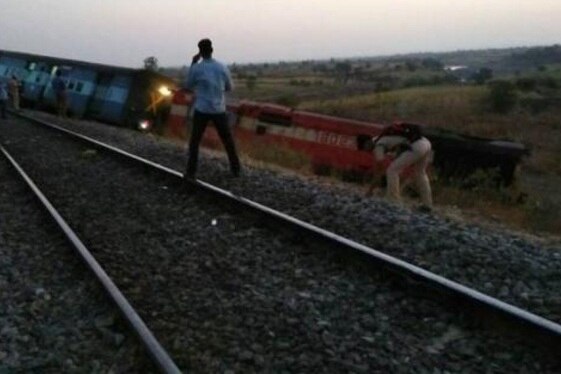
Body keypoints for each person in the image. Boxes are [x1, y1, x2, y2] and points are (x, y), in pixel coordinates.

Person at [181, 38, 241, 179]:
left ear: (200, 52)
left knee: (195, 141)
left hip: (201, 109)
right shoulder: (222, 67)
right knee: (227, 140)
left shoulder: (197, 68)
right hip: (219, 110)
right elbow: (229, 87)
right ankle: (235, 169)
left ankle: (191, 171)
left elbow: (188, 85)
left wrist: (193, 62)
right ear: (212, 50)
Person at [371, 122, 433, 209]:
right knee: (420, 173)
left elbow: (380, 167)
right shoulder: (390, 139)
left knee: (392, 171)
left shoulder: (378, 145)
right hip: (426, 143)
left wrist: (370, 190)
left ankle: (393, 201)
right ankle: (427, 204)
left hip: (416, 146)